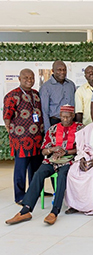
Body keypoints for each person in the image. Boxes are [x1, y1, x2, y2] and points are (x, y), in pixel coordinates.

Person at [5, 105, 84, 225]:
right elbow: (43, 150)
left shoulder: (80, 129)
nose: (65, 120)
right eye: (63, 117)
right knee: (38, 174)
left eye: (68, 117)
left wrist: (66, 152)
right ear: (60, 116)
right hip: (52, 160)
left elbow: (82, 149)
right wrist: (52, 150)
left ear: (73, 116)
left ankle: (54, 211)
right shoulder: (53, 129)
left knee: (62, 176)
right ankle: (25, 210)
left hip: (70, 160)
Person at [3, 69, 44, 204]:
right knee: (21, 169)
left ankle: (34, 192)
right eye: (26, 78)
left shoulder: (36, 94)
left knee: (36, 168)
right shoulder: (12, 95)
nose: (29, 80)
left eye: (32, 78)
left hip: (37, 139)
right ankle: (19, 196)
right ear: (19, 79)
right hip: (21, 140)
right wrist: (12, 132)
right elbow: (7, 117)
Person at [39, 60, 76, 131]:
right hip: (55, 122)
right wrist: (48, 130)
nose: (62, 72)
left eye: (64, 70)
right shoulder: (46, 87)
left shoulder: (71, 84)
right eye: (59, 70)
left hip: (71, 122)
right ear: (53, 70)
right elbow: (44, 111)